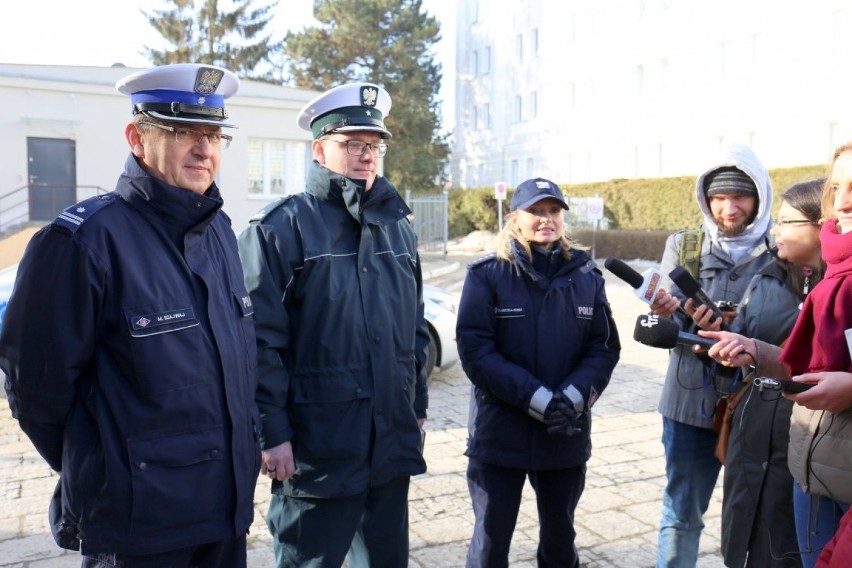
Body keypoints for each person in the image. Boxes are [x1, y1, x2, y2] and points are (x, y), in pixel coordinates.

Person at [0, 63, 261, 566]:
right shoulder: (83, 242)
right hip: (138, 526)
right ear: (136, 138)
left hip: (224, 514)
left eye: (213, 134)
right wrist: (107, 463)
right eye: (183, 131)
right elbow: (36, 389)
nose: (204, 149)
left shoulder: (221, 234)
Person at [238, 82, 430, 568]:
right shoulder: (280, 228)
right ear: (320, 148)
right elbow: (258, 342)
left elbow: (415, 328)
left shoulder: (397, 225)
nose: (367, 155)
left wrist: (418, 406)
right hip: (318, 453)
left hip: (389, 447)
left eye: (375, 145)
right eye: (353, 144)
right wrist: (271, 433)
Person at [455, 177, 621, 568]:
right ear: (516, 218)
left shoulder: (587, 276)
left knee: (561, 543)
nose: (546, 219)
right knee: (490, 543)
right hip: (500, 434)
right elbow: (477, 351)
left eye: (554, 211)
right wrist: (537, 399)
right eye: (536, 211)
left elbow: (604, 347)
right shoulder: (487, 273)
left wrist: (574, 398)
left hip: (565, 430)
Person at [702, 142, 852, 567]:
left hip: (831, 469)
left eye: (787, 221)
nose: (842, 202)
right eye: (836, 188)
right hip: (801, 458)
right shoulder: (777, 277)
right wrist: (749, 349)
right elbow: (800, 363)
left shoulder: (833, 280)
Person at [649, 144, 775, 567]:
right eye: (718, 197)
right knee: (681, 514)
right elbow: (663, 316)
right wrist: (667, 311)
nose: (729, 207)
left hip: (758, 405)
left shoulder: (782, 249)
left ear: (760, 196)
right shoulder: (683, 246)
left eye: (740, 196)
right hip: (689, 404)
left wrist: (736, 327)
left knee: (756, 517)